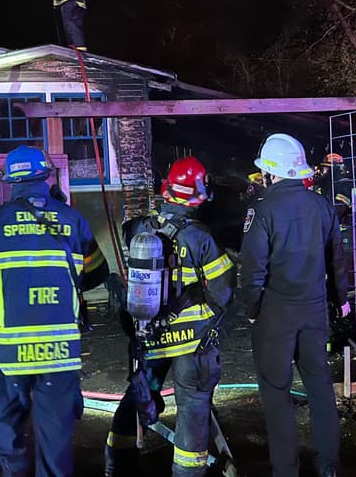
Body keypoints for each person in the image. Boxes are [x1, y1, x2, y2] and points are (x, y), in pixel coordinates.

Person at [0, 145, 109, 477]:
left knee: (7, 430)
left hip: (10, 354)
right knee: (55, 440)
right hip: (59, 352)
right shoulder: (71, 219)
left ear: (11, 181)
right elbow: (97, 272)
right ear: (46, 176)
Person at [104, 156, 234, 477]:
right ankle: (187, 472)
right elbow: (224, 292)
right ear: (197, 194)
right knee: (192, 406)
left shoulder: (140, 228)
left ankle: (115, 464)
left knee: (138, 395)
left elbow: (128, 227)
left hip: (149, 337)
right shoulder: (200, 237)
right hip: (191, 343)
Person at [239, 133, 351, 477]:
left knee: (277, 396)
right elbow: (337, 260)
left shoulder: (262, 210)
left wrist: (253, 310)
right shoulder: (322, 205)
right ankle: (329, 467)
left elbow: (252, 270)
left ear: (271, 172)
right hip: (315, 311)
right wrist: (341, 300)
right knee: (320, 388)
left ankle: (286, 470)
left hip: (275, 316)